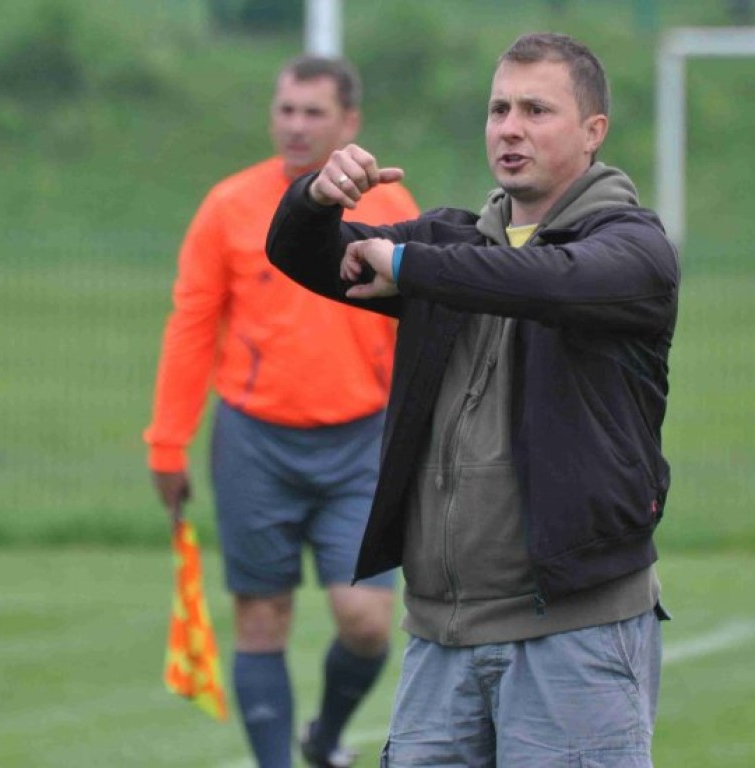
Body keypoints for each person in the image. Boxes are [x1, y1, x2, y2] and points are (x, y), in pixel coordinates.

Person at [266, 33, 679, 767]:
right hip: (441, 639)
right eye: (499, 110)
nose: (510, 128)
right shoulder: (449, 245)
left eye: (536, 110)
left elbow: (550, 281)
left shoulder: (633, 251)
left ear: (593, 132)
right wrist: (315, 200)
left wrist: (409, 266)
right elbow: (302, 254)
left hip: (575, 635)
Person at [144, 55, 419, 768]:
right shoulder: (229, 205)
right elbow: (191, 325)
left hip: (360, 443)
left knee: (366, 620)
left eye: (313, 112)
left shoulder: (392, 206)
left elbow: (421, 327)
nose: (296, 125)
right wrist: (167, 443)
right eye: (286, 109)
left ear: (350, 122)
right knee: (261, 618)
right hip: (255, 443)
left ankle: (324, 738)